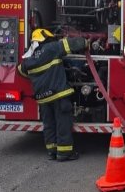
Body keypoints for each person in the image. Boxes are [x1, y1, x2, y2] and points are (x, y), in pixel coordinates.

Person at [17, 28, 88, 162]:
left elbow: (20, 71)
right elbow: (74, 44)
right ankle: (64, 153)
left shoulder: (28, 58)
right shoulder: (51, 48)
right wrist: (85, 42)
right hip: (58, 94)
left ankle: (52, 151)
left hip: (43, 98)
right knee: (63, 123)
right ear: (46, 38)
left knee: (49, 124)